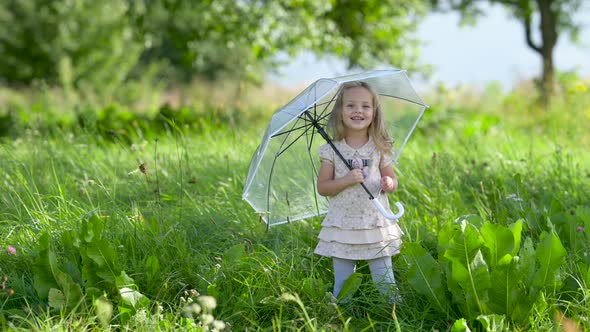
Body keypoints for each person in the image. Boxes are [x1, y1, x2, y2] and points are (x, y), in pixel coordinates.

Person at [314, 81, 403, 304]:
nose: (358, 111)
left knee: (384, 277)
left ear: (374, 112)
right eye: (351, 105)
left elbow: (392, 179)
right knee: (343, 282)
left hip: (374, 221)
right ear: (340, 112)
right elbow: (323, 187)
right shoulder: (331, 150)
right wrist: (346, 180)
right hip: (343, 223)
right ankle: (340, 311)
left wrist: (388, 183)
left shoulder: (379, 147)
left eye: (365, 106)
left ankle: (393, 310)